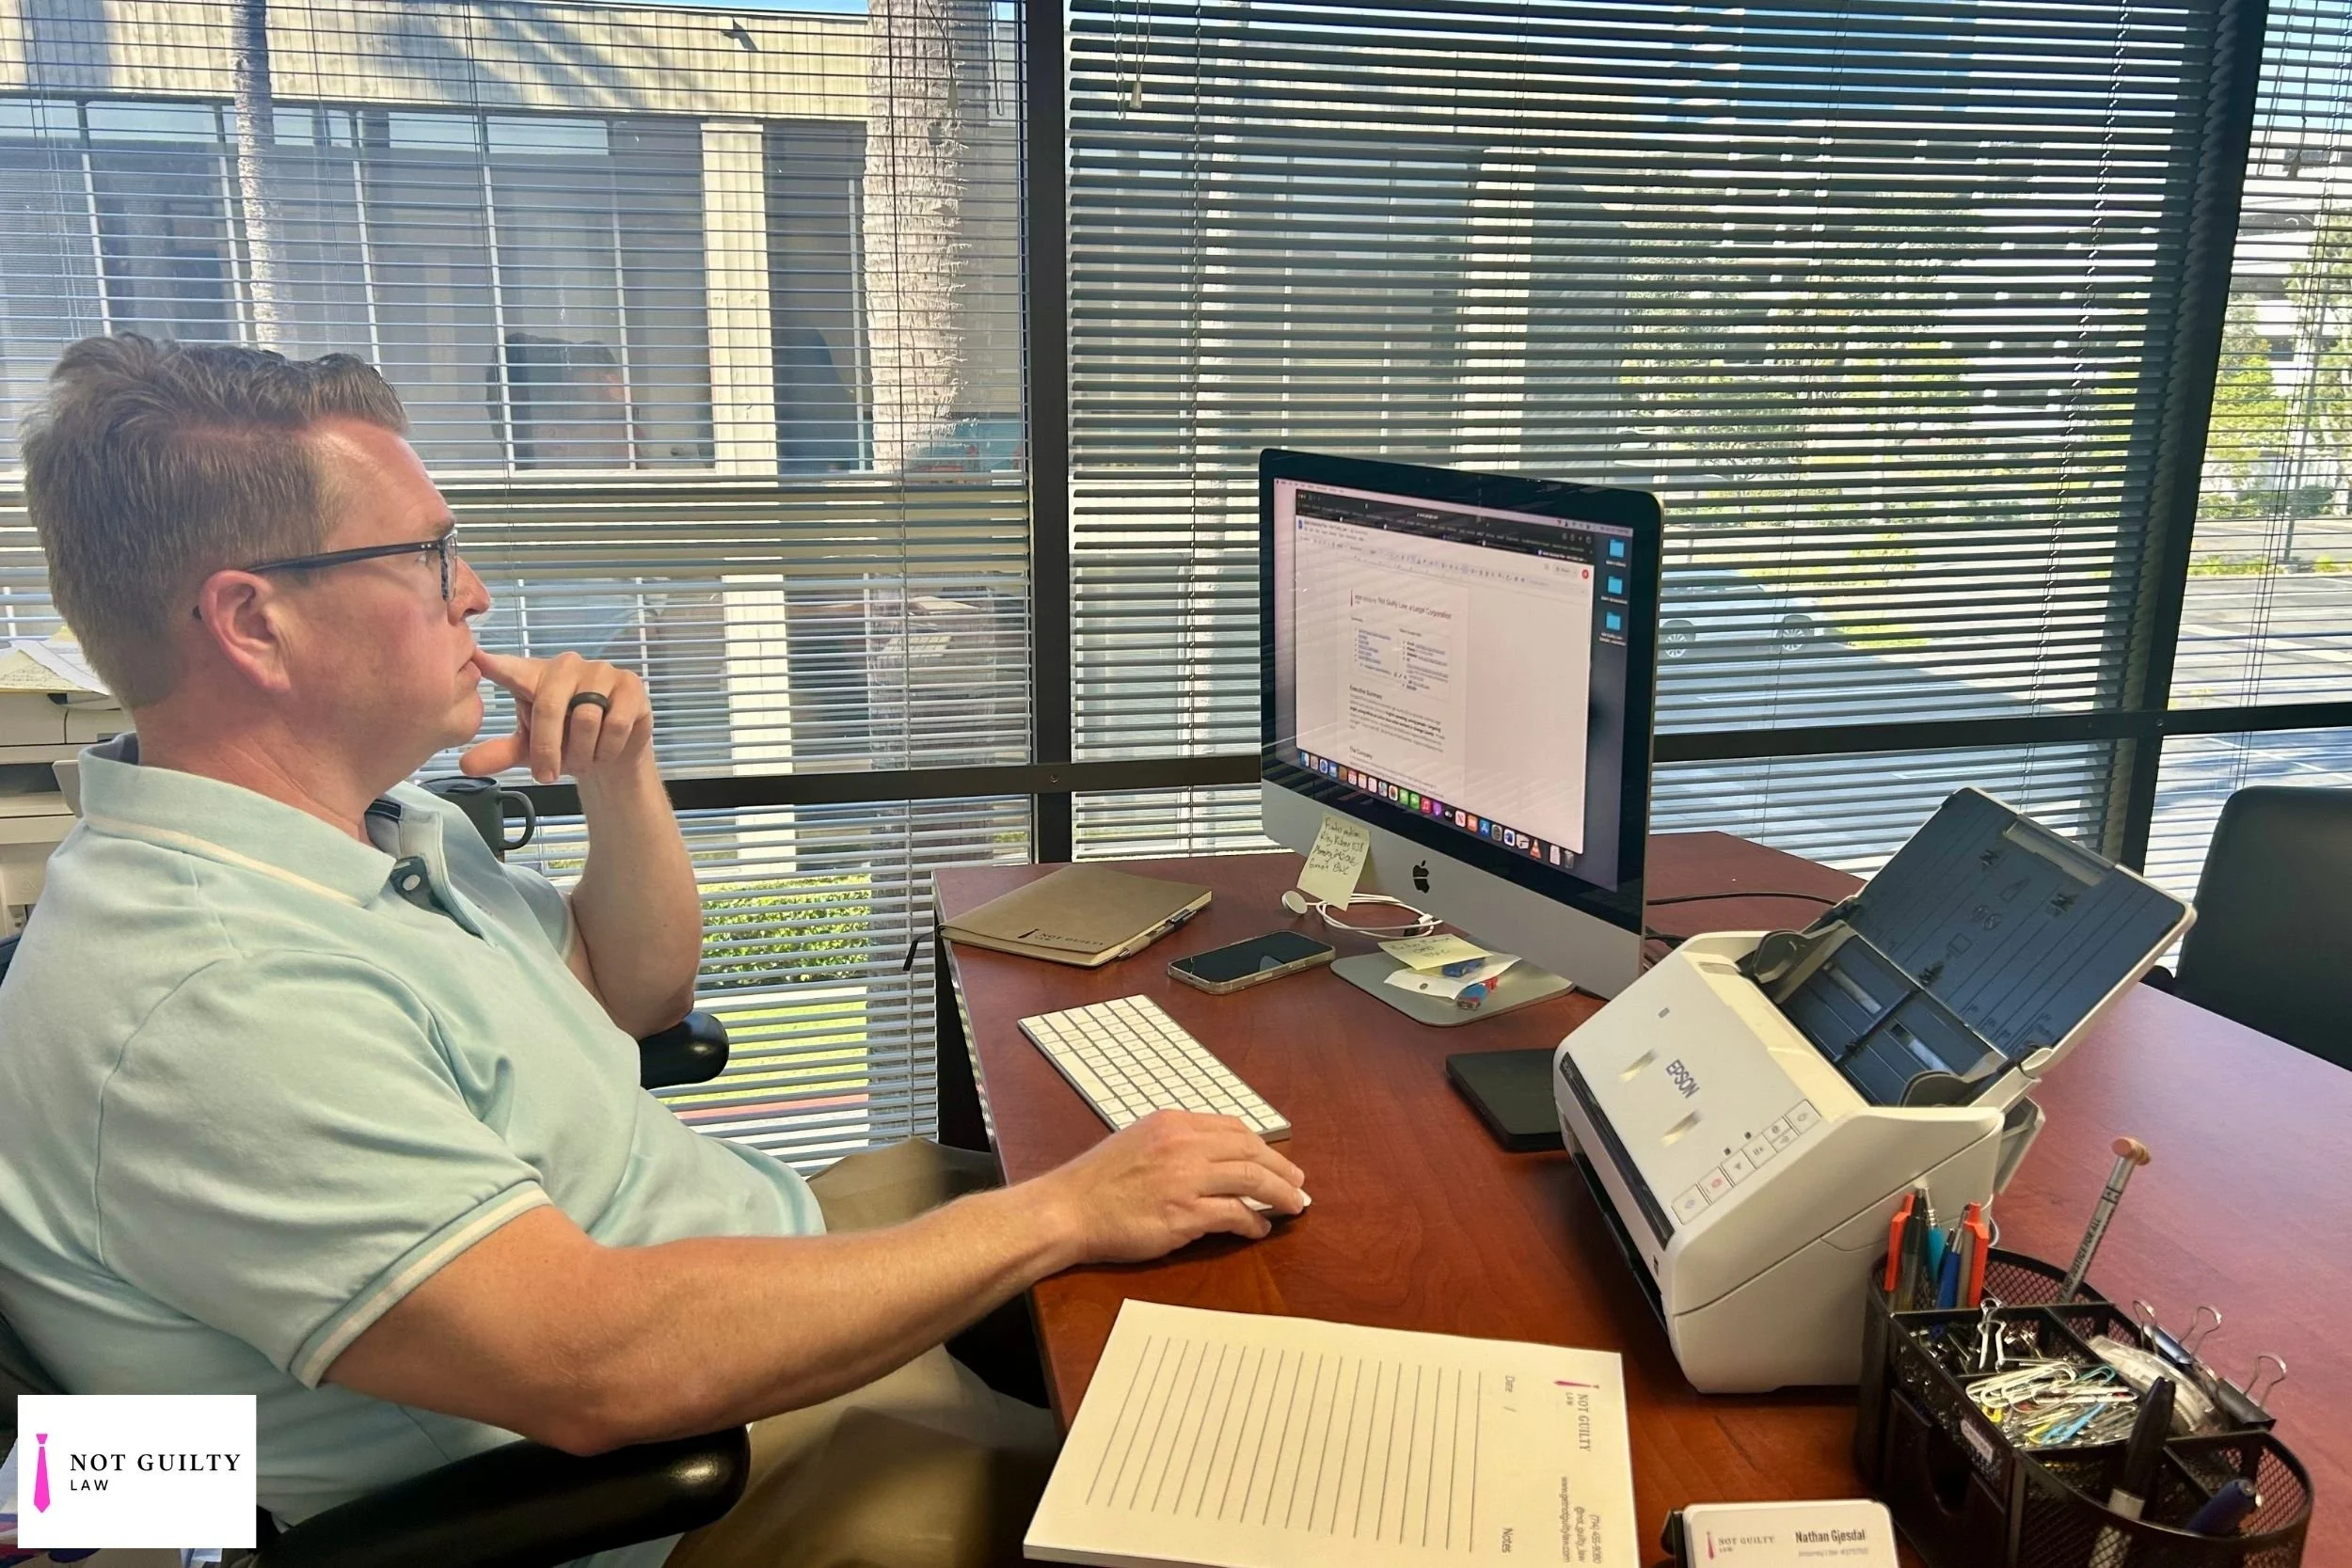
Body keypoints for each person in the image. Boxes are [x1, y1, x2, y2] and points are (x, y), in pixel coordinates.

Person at [0, 336, 1307, 1568]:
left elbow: (636, 993)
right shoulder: (216, 997)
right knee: (1229, 1481)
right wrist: (1065, 1211)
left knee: (1196, 1242)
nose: (475, 591)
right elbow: (596, 1366)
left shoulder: (368, 832)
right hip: (669, 1464)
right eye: (425, 554)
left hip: (727, 1249)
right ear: (252, 622)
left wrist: (622, 778)